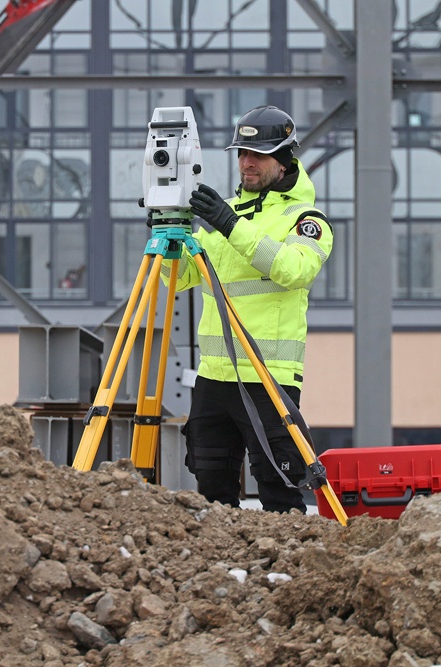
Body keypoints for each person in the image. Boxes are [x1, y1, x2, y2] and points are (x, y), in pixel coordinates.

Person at [162, 105, 333, 513]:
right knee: (210, 489)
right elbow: (181, 278)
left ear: (286, 159)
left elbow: (294, 269)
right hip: (214, 377)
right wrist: (168, 231)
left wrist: (229, 224)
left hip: (268, 376)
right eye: (242, 153)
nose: (246, 163)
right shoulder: (225, 215)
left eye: (258, 154)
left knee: (278, 487)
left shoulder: (306, 220)